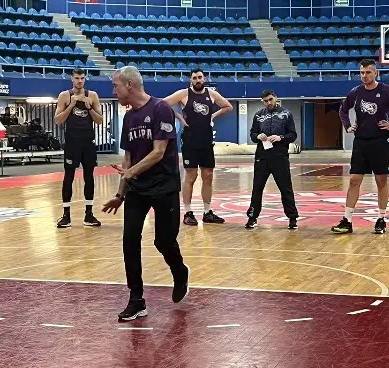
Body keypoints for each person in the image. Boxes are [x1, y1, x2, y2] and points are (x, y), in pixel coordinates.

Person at [102, 66, 189, 322]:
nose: (113, 90)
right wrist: (120, 194)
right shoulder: (128, 118)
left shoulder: (161, 108)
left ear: (129, 85)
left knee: (163, 241)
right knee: (130, 240)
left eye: (115, 85)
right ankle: (136, 299)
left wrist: (130, 173)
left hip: (164, 187)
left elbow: (159, 152)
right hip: (138, 191)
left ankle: (180, 271)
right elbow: (128, 158)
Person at [333, 59, 389, 235]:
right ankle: (347, 220)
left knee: (381, 182)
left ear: (376, 73)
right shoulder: (355, 93)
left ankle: (381, 219)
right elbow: (342, 110)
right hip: (360, 142)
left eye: (368, 72)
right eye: (362, 73)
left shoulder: (387, 91)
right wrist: (348, 126)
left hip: (380, 141)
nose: (364, 76)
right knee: (354, 180)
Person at [164, 68, 233, 226]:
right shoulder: (184, 93)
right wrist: (180, 118)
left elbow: (228, 106)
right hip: (190, 141)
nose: (197, 80)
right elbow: (163, 104)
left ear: (204, 78)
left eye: (200, 77)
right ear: (190, 80)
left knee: (208, 176)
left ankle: (207, 212)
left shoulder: (212, 94)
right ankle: (188, 212)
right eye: (194, 78)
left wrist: (213, 115)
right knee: (191, 176)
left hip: (206, 141)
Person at [54, 68, 103, 228]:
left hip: (88, 142)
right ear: (72, 79)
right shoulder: (64, 96)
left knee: (89, 176)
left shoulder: (93, 95)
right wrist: (71, 105)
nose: (79, 81)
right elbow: (58, 120)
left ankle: (89, 214)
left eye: (82, 78)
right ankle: (66, 215)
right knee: (69, 176)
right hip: (72, 142)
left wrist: (89, 108)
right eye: (77, 78)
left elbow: (100, 120)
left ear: (85, 79)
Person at [245, 89, 299, 230]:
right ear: (262, 101)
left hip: (280, 156)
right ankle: (252, 217)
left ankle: (292, 218)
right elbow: (252, 134)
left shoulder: (286, 114)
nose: (268, 102)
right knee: (257, 188)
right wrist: (258, 136)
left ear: (275, 98)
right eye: (265, 101)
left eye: (270, 99)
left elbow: (293, 135)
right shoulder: (258, 116)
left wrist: (281, 138)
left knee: (285, 188)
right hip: (262, 157)